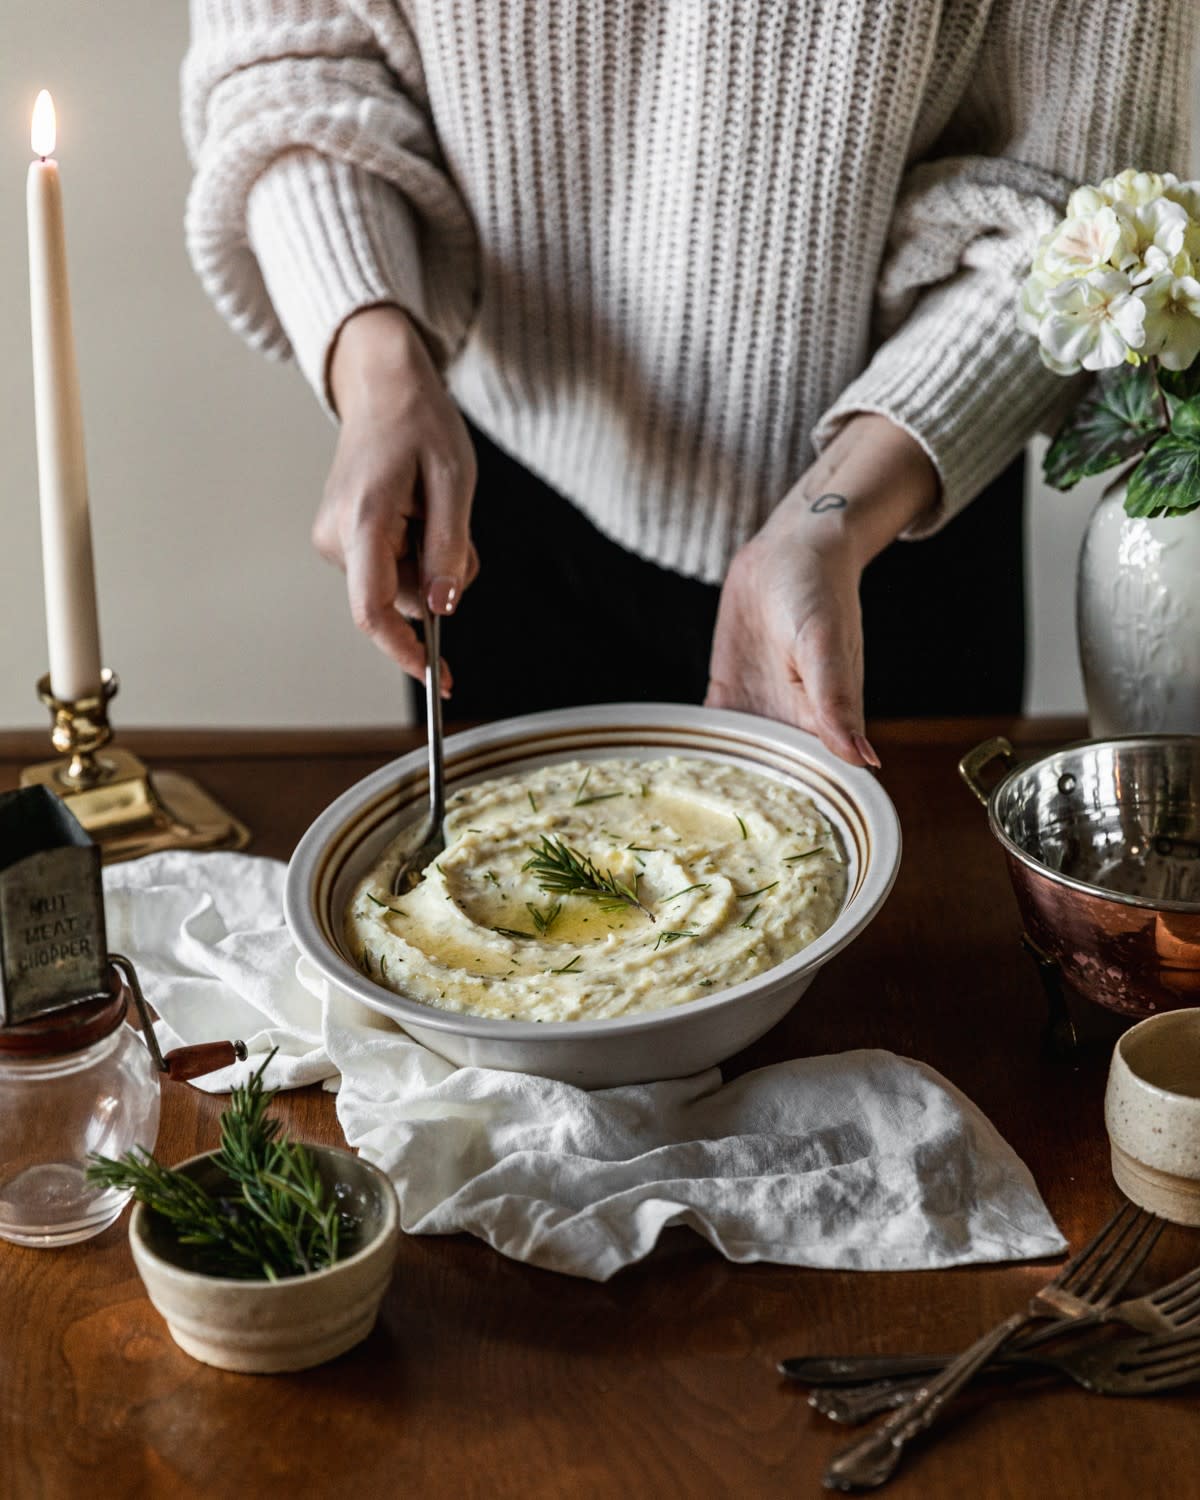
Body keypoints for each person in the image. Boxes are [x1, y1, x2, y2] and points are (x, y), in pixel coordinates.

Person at [183, 1, 1194, 765]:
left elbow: (1077, 207)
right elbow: (290, 56)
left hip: (887, 516)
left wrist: (831, 522)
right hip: (485, 513)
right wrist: (376, 366)